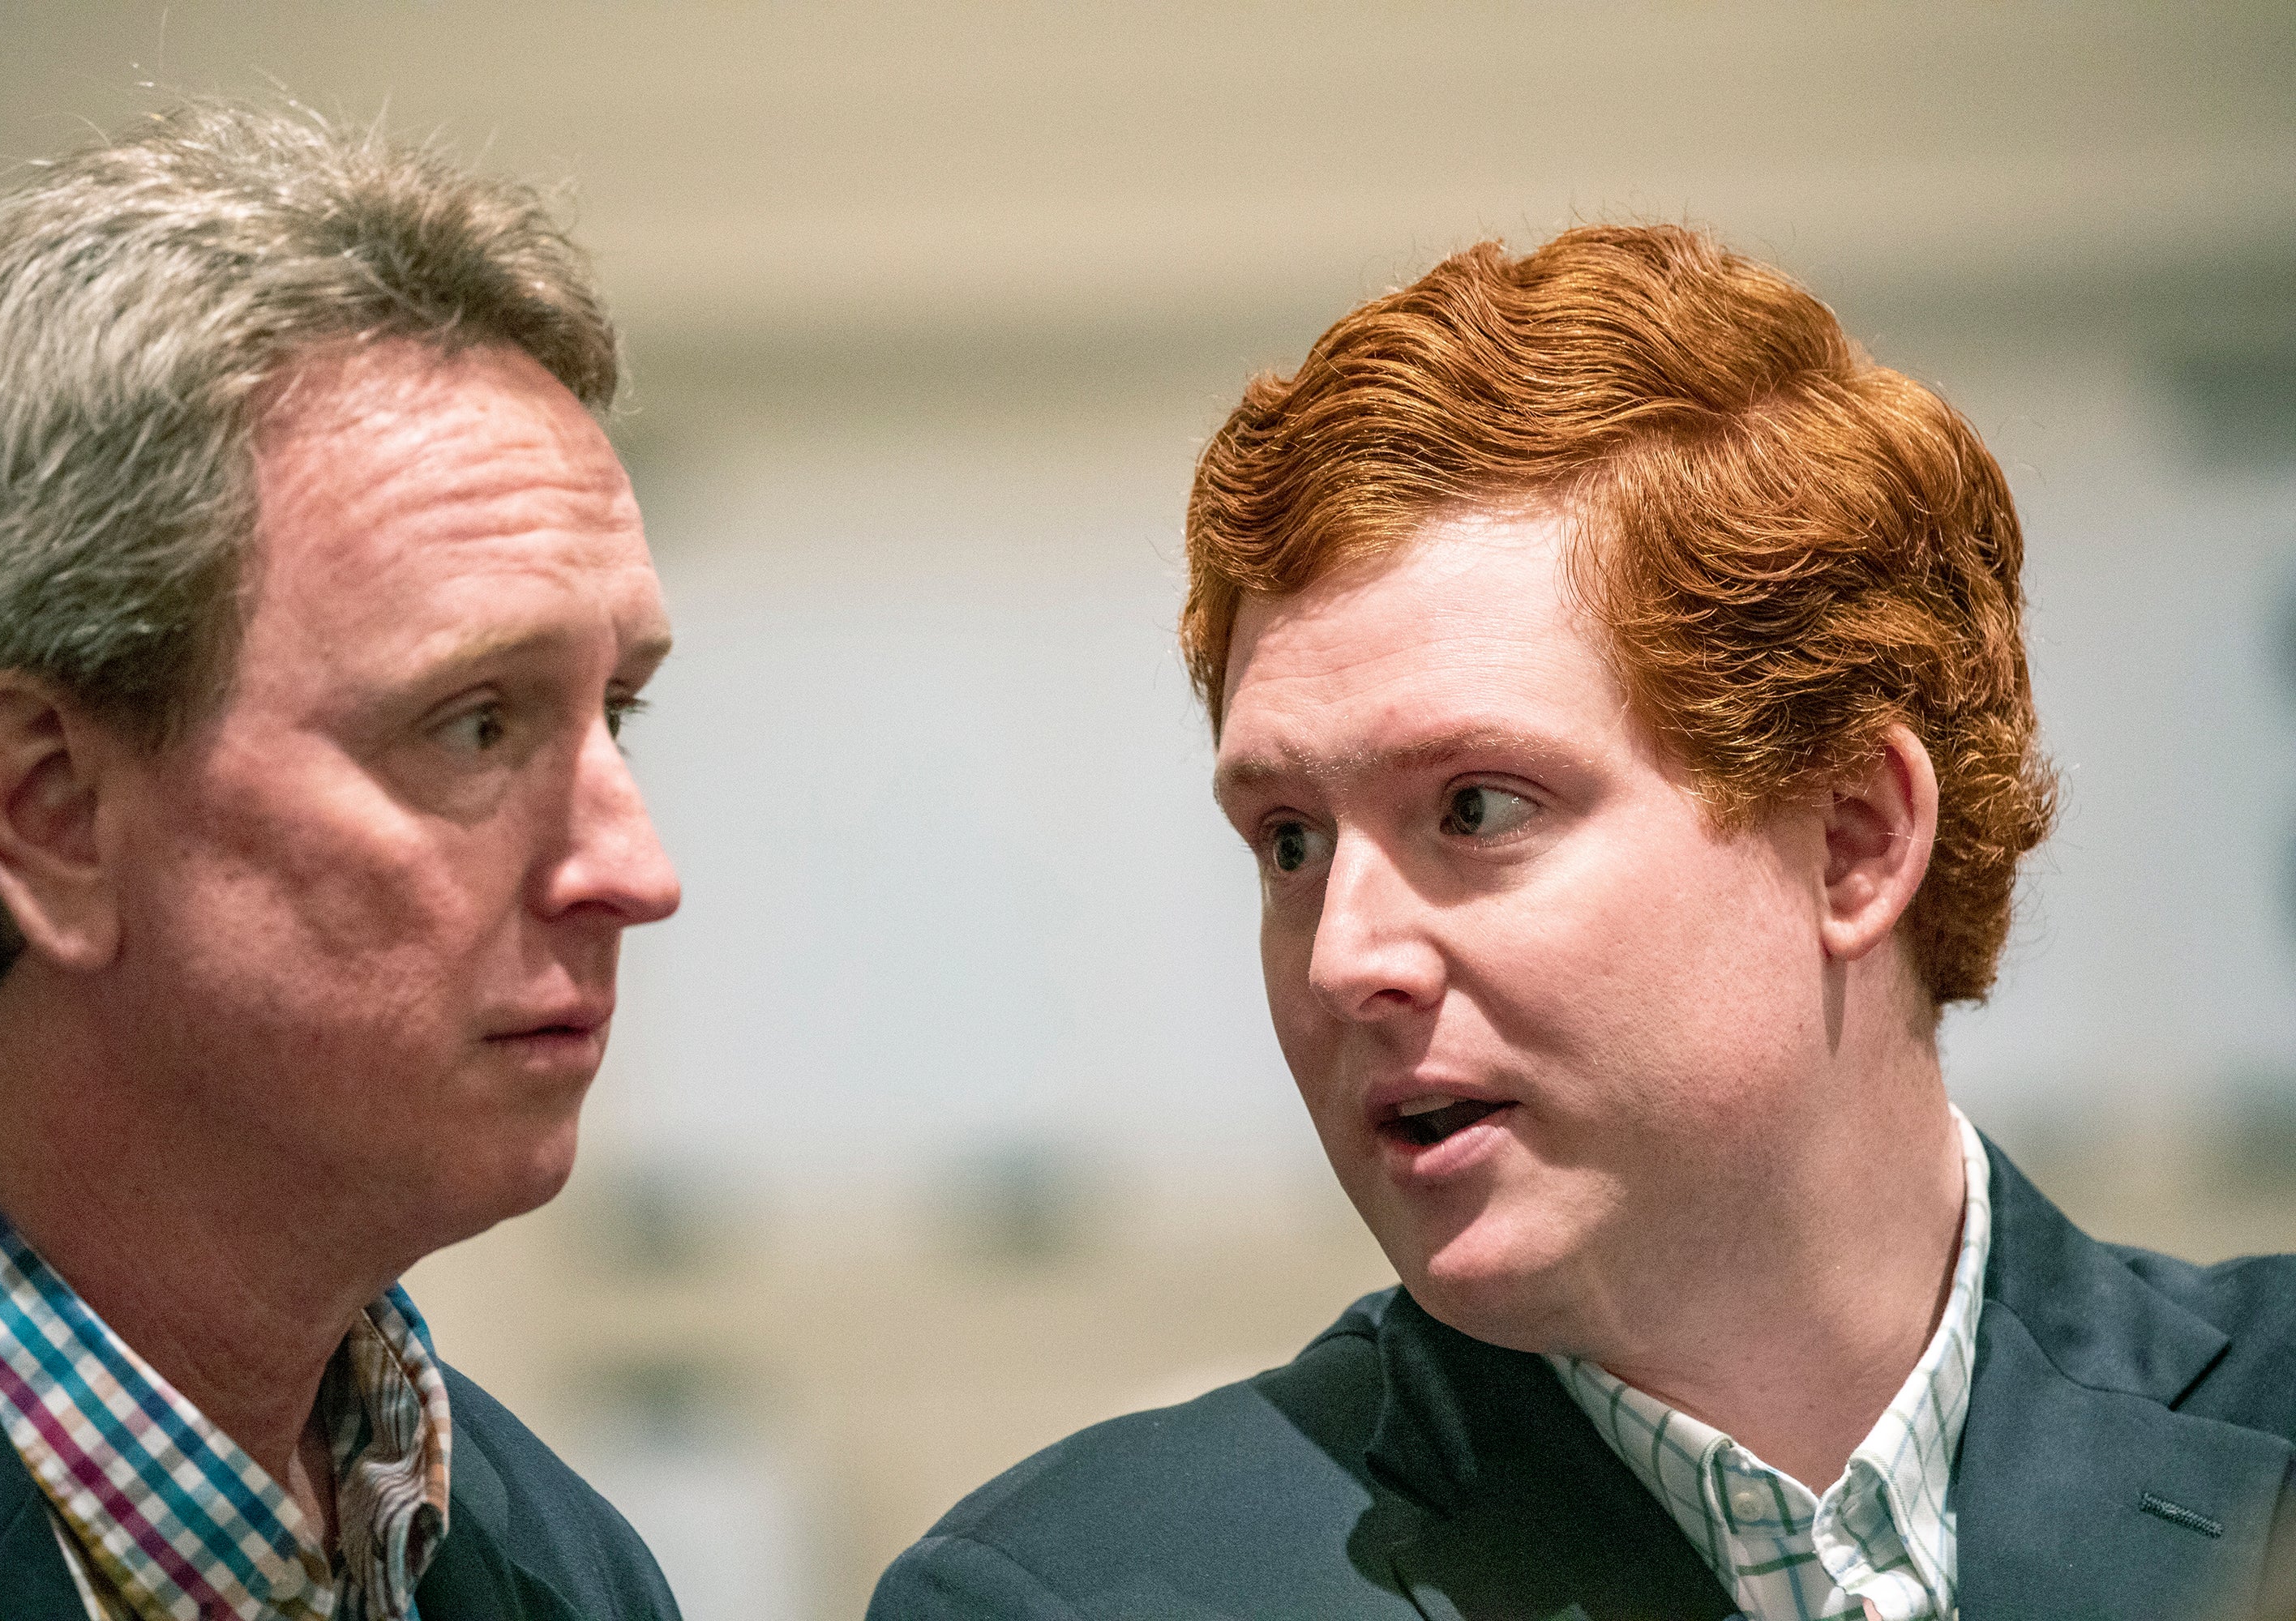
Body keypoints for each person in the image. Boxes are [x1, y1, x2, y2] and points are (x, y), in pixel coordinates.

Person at [872, 226, 2296, 1620]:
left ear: (1854, 841)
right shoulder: (1073, 1593)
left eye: (1477, 809)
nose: (1343, 955)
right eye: (1289, 842)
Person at [0, 101, 684, 1619]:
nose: (636, 869)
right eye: (475, 724)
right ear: (47, 807)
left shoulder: (569, 1573)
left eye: (619, 711)